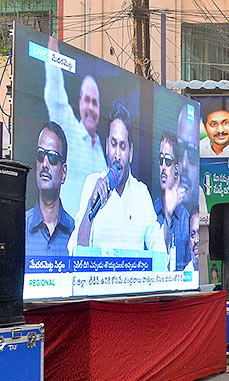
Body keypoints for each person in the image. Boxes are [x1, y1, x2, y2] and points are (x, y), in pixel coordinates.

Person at [70, 103, 165, 255]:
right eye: (113, 144)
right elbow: (76, 251)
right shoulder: (92, 183)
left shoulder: (141, 193)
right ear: (107, 146)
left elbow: (160, 252)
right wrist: (91, 207)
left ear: (131, 153)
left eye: (122, 146)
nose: (117, 155)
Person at [43, 37, 106, 210]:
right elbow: (55, 92)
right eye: (87, 100)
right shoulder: (69, 130)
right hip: (68, 233)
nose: (91, 108)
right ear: (79, 104)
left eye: (95, 102)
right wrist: (52, 48)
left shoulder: (103, 149)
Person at [25, 122, 75, 257]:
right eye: (40, 154)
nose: (45, 165)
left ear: (64, 173)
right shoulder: (19, 228)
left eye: (52, 156)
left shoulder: (75, 232)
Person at [152, 132, 192, 272]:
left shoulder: (185, 218)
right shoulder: (149, 212)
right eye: (160, 160)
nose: (163, 166)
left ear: (176, 168)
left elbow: (190, 268)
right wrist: (167, 213)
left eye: (168, 161)